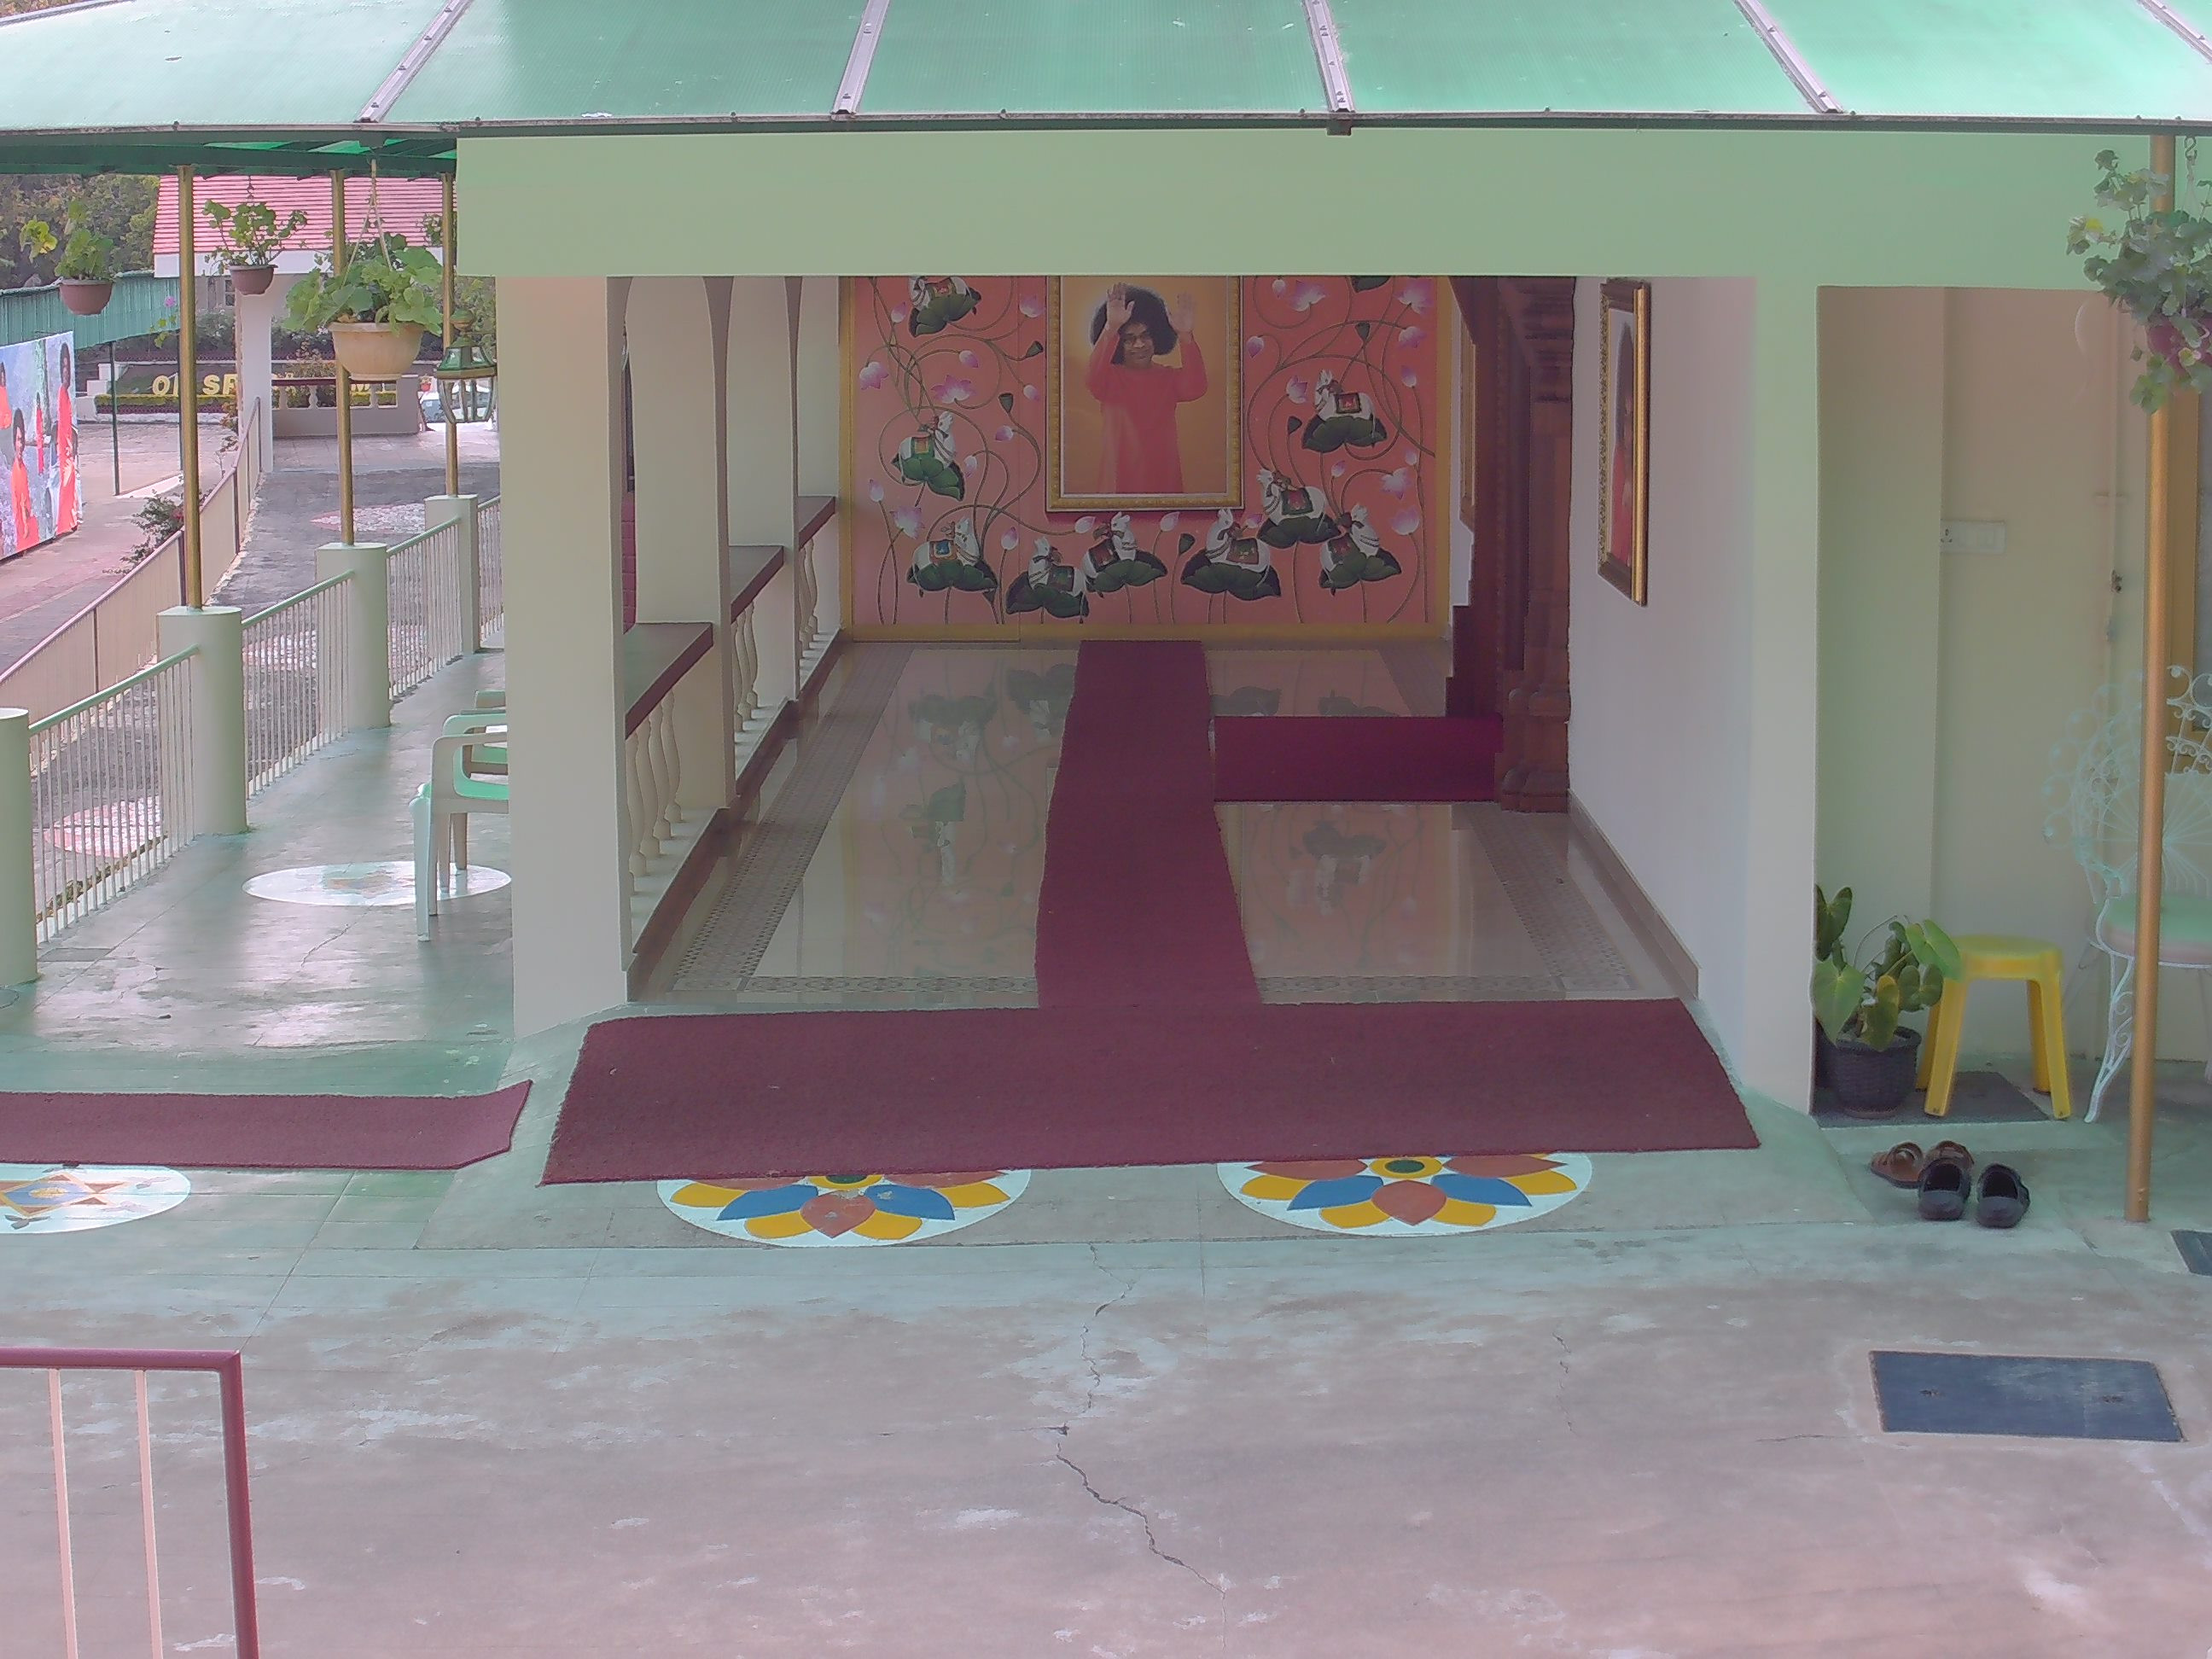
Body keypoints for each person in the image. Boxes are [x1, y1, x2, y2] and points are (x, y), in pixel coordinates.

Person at [1084, 283, 1206, 496]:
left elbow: (1196, 387)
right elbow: (1092, 379)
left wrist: (1186, 336)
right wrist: (1111, 328)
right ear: (1118, 344)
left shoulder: (1168, 378)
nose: (1139, 344)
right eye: (1129, 339)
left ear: (1156, 335)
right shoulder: (1109, 378)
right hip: (1117, 486)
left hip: (1164, 484)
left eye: (1145, 335)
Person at [12, 410, 38, 555]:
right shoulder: (15, 471)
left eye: (22, 440)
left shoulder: (23, 468)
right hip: (22, 531)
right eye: (18, 440)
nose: (20, 445)